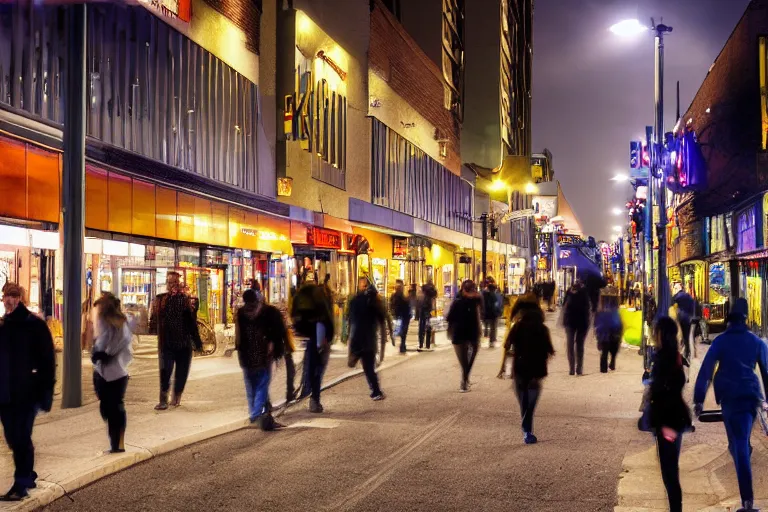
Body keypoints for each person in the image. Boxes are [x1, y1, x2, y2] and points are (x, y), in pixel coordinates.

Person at [693, 298, 768, 512]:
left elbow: (706, 370)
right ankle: (741, 452)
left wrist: (699, 399)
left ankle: (748, 502)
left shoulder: (721, 341)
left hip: (730, 398)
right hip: (750, 396)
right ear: (746, 319)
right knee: (738, 441)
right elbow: (766, 372)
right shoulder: (756, 342)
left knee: (739, 444)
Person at [0, 283, 55, 501]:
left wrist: (46, 393)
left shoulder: (34, 325)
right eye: (5, 296)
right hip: (5, 392)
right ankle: (28, 472)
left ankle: (21, 483)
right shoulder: (3, 326)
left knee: (20, 436)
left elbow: (48, 361)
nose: (8, 300)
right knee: (12, 437)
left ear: (20, 298)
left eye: (13, 295)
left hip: (27, 393)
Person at [649, 316, 692, 512]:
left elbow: (660, 389)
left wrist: (650, 381)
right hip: (676, 418)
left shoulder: (661, 359)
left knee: (669, 473)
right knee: (671, 470)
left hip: (667, 421)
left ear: (660, 334)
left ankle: (676, 510)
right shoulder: (675, 355)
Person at [500, 294, 554, 444]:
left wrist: (504, 368)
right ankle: (527, 428)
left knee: (523, 400)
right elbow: (549, 350)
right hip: (537, 369)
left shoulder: (517, 326)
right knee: (531, 400)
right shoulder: (542, 328)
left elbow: (507, 347)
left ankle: (527, 428)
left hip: (520, 367)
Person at [149, 271, 202, 410]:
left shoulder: (186, 300)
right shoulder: (161, 299)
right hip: (167, 343)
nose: (171, 285)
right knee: (165, 371)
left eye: (174, 282)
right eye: (169, 282)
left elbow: (191, 322)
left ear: (179, 284)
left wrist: (197, 342)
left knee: (181, 372)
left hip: (183, 343)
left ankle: (177, 397)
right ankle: (163, 400)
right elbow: (155, 317)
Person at [235, 288, 287, 430]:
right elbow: (276, 333)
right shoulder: (265, 313)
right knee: (262, 384)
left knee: (251, 385)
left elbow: (238, 336)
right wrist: (273, 348)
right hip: (262, 354)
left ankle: (254, 412)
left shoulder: (241, 313)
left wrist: (239, 350)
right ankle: (257, 412)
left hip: (246, 354)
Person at [89, 293, 133, 454]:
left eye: (99, 310)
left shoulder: (120, 326)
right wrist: (97, 353)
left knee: (115, 408)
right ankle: (115, 441)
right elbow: (101, 342)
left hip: (117, 373)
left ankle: (118, 443)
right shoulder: (104, 326)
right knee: (106, 408)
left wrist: (106, 354)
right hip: (102, 373)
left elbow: (121, 343)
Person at [291, 283, 334, 413]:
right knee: (318, 370)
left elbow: (295, 318)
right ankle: (314, 398)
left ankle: (306, 390)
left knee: (310, 366)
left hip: (309, 337)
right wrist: (329, 338)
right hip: (320, 339)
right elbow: (328, 322)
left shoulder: (306, 301)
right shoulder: (323, 303)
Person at [348, 278, 387, 401]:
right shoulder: (373, 302)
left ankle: (375, 390)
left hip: (359, 339)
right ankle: (376, 391)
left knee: (367, 367)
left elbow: (351, 321)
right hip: (368, 340)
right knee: (369, 367)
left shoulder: (355, 301)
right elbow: (382, 320)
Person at [447, 280, 483, 392]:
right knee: (464, 361)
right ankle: (464, 381)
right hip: (460, 334)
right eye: (469, 291)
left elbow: (483, 312)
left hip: (473, 333)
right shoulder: (458, 302)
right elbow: (449, 317)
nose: (471, 294)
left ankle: (465, 380)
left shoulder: (476, 301)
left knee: (470, 358)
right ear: (463, 290)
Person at [562, 280, 591, 375]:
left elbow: (564, 306)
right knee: (578, 345)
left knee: (572, 345)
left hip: (572, 322)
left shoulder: (570, 293)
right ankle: (578, 368)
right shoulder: (584, 293)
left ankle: (574, 368)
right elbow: (587, 308)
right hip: (580, 322)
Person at [594, 296, 622, 373]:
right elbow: (617, 323)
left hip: (604, 334)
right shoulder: (614, 311)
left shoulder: (601, 311)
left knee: (605, 351)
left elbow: (597, 324)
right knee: (613, 349)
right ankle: (612, 362)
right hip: (612, 333)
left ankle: (604, 368)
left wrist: (598, 334)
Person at [672, 283, 695, 361]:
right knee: (687, 336)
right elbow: (692, 306)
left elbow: (671, 305)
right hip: (688, 318)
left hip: (680, 319)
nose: (674, 290)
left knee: (680, 336)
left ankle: (682, 354)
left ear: (677, 289)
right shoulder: (688, 296)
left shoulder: (677, 297)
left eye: (675, 288)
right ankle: (687, 352)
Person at [390, 279, 411, 354]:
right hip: (403, 316)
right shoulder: (401, 296)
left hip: (399, 315)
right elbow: (405, 305)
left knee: (401, 331)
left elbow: (391, 305)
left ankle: (402, 345)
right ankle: (402, 345)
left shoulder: (395, 295)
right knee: (403, 331)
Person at [417, 280, 438, 351]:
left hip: (423, 308)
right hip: (428, 309)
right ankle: (428, 345)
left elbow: (419, 298)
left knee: (421, 327)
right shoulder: (432, 290)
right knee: (428, 326)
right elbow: (435, 297)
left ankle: (420, 344)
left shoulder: (424, 288)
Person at [482, 279, 503, 348]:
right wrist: (498, 312)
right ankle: (492, 340)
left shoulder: (484, 295)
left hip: (487, 314)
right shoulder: (494, 296)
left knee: (488, 327)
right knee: (493, 328)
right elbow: (496, 305)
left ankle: (488, 338)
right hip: (493, 314)